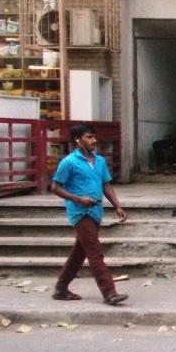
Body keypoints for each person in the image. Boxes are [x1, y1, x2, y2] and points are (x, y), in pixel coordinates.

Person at [50, 123, 129, 305]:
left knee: (80, 252)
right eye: (89, 137)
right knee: (94, 252)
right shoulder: (69, 162)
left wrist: (117, 206)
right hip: (80, 212)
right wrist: (78, 199)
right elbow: (55, 187)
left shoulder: (99, 161)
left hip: (96, 211)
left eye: (94, 136)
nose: (94, 140)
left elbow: (106, 184)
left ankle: (61, 289)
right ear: (78, 140)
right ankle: (109, 292)